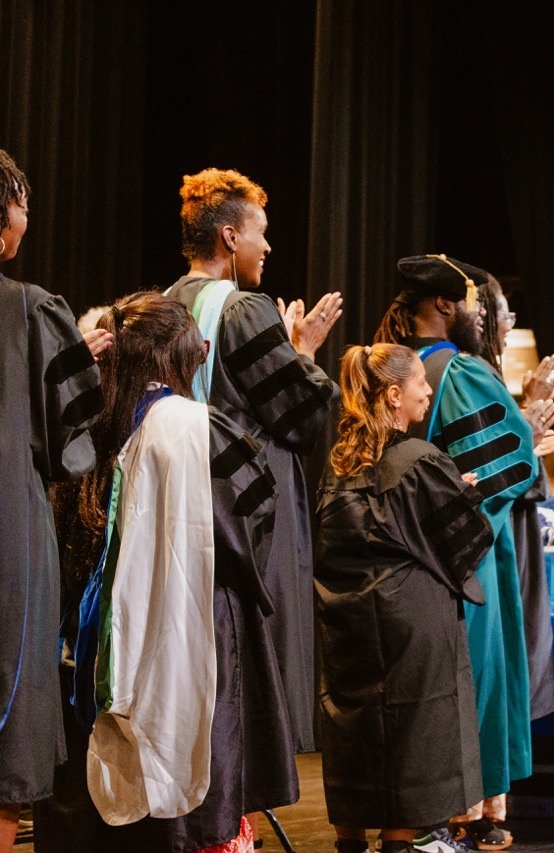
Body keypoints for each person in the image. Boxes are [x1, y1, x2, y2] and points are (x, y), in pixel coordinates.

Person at [40, 291, 295, 852]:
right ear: (173, 355)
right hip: (192, 623)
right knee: (181, 778)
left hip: (89, 642)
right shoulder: (195, 427)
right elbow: (248, 523)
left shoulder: (86, 423)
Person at [167, 168, 341, 754]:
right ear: (229, 237)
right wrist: (303, 354)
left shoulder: (160, 307)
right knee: (251, 645)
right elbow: (303, 416)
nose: (266, 246)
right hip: (248, 507)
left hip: (178, 500)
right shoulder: (245, 310)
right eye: (259, 233)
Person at [374, 255, 541, 850]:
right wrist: (531, 434)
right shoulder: (459, 370)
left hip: (400, 553)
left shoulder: (389, 365)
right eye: (470, 303)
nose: (478, 315)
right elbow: (508, 460)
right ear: (445, 305)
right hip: (464, 554)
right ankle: (463, 812)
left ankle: (418, 814)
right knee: (473, 677)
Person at [315, 344, 496, 853]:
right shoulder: (420, 460)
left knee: (355, 731)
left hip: (347, 623)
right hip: (410, 625)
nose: (428, 390)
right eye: (420, 382)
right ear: (394, 395)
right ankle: (397, 844)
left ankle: (350, 842)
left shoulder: (337, 466)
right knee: (409, 735)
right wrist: (462, 495)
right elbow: (463, 537)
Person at [0, 149, 108, 853]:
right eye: (23, 206)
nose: (27, 219)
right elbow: (70, 440)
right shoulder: (28, 310)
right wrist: (73, 363)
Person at [475, 277, 554, 722]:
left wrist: (529, 420)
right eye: (504, 315)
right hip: (493, 540)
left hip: (512, 530)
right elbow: (490, 468)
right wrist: (527, 428)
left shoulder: (485, 376)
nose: (508, 328)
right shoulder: (471, 375)